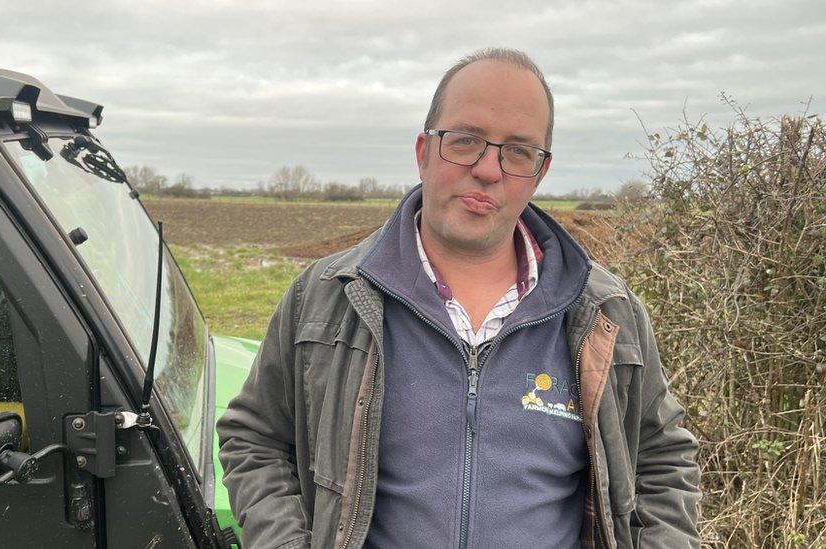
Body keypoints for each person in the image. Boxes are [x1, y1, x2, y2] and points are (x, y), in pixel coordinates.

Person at [217, 47, 701, 549]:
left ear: (540, 172)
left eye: (517, 151)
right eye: (466, 140)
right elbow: (255, 439)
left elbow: (662, 461)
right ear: (424, 151)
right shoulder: (324, 298)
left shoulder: (606, 313)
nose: (489, 170)